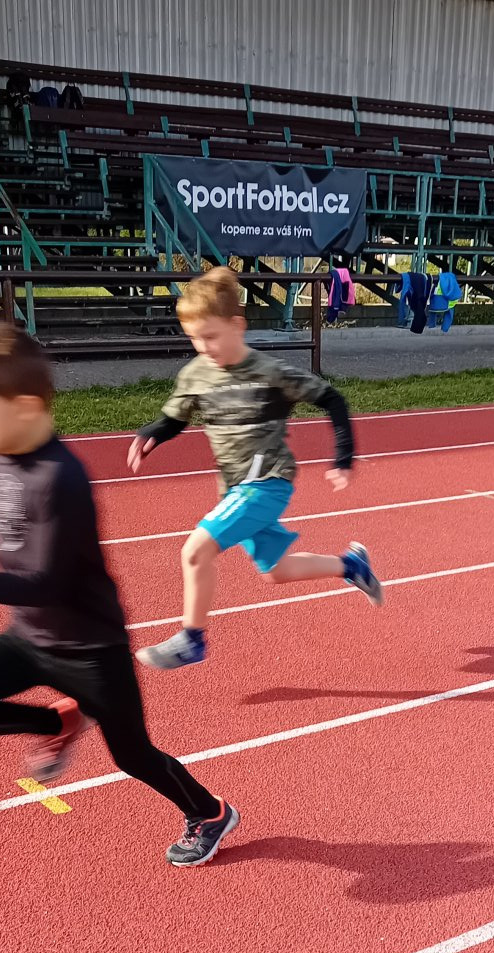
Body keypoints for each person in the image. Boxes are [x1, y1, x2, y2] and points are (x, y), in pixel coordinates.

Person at [0, 324, 239, 868]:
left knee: (133, 756)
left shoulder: (59, 478)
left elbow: (47, 585)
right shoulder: (1, 450)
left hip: (92, 651)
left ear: (25, 406)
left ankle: (209, 812)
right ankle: (59, 722)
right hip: (29, 638)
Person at [126, 266, 381, 670]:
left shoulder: (269, 372)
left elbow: (332, 399)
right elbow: (175, 419)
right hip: (233, 488)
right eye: (194, 338)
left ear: (237, 325)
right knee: (276, 571)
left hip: (267, 482)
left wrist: (343, 458)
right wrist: (153, 433)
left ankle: (192, 639)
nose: (203, 346)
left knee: (195, 551)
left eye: (211, 336)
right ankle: (351, 566)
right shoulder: (196, 375)